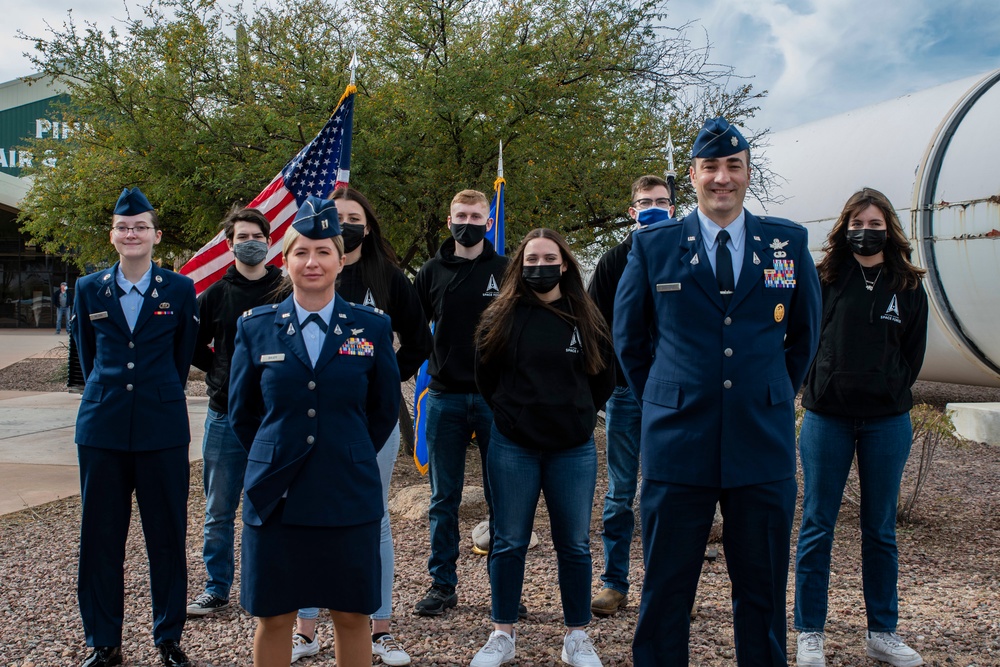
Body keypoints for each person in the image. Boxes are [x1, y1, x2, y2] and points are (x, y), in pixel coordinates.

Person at [614, 117, 822, 666]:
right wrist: (668, 395)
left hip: (762, 441)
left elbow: (803, 337)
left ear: (749, 174)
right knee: (665, 592)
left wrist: (769, 390)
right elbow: (630, 341)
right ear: (694, 175)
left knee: (761, 594)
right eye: (711, 168)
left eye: (734, 166)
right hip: (678, 442)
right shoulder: (655, 247)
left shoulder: (787, 243)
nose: (722, 178)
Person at [228, 195, 401, 667]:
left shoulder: (371, 327)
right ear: (283, 261)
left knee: (350, 615)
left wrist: (347, 451)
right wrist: (275, 453)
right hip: (275, 495)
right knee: (275, 617)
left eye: (323, 251)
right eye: (301, 251)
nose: (312, 261)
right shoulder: (256, 328)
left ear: (340, 260)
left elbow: (384, 411)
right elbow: (243, 412)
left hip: (347, 493)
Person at [290, 187, 431, 665]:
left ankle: (381, 630)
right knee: (307, 519)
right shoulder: (305, 277)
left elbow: (418, 341)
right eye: (336, 217)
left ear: (366, 227)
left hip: (370, 420)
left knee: (374, 520)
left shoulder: (388, 277)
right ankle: (306, 631)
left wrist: (387, 378)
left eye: (353, 218)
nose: (344, 224)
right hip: (309, 420)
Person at [793, 188, 929, 667]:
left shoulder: (909, 285)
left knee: (880, 530)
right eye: (857, 222)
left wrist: (888, 388)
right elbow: (801, 337)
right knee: (816, 526)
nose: (865, 231)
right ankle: (810, 632)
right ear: (844, 226)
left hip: (887, 423)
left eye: (875, 224)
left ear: (888, 228)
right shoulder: (823, 276)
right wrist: (817, 383)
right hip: (827, 417)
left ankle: (882, 632)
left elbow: (911, 356)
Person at [470, 228, 614, 667]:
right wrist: (512, 418)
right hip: (514, 448)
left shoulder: (587, 317)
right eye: (530, 260)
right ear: (519, 265)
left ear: (565, 264)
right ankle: (502, 634)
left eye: (548, 258)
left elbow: (604, 379)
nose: (539, 267)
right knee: (509, 541)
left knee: (573, 544)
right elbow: (486, 378)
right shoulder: (501, 316)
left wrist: (577, 416)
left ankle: (576, 637)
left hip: (572, 449)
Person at [72, 186, 199, 667]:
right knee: (101, 537)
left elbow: (181, 356)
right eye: (124, 227)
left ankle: (167, 639)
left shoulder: (179, 289)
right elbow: (88, 355)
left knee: (166, 537)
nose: (132, 233)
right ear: (113, 236)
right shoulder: (89, 290)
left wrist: (152, 392)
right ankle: (104, 642)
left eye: (140, 226)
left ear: (156, 235)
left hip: (161, 428)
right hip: (102, 429)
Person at [412, 189, 509, 616]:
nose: (467, 222)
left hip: (495, 400)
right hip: (445, 397)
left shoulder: (507, 270)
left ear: (489, 222)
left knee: (502, 498)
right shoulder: (430, 271)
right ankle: (442, 585)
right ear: (449, 220)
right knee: (443, 498)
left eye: (476, 216)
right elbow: (413, 332)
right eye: (460, 215)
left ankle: (504, 590)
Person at [186, 206, 284, 617]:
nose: (250, 243)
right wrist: (225, 374)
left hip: (277, 416)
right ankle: (216, 586)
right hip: (226, 414)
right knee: (219, 509)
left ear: (268, 240)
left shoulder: (286, 290)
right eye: (242, 237)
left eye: (257, 236)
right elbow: (194, 345)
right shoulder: (215, 295)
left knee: (276, 507)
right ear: (229, 245)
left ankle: (275, 584)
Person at [587, 175, 674, 617]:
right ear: (632, 211)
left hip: (676, 396)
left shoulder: (686, 255)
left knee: (672, 490)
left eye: (661, 201)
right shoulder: (612, 262)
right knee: (621, 491)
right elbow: (593, 329)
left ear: (674, 208)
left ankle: (671, 586)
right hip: (625, 393)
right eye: (645, 202)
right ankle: (614, 582)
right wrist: (605, 386)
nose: (653, 208)